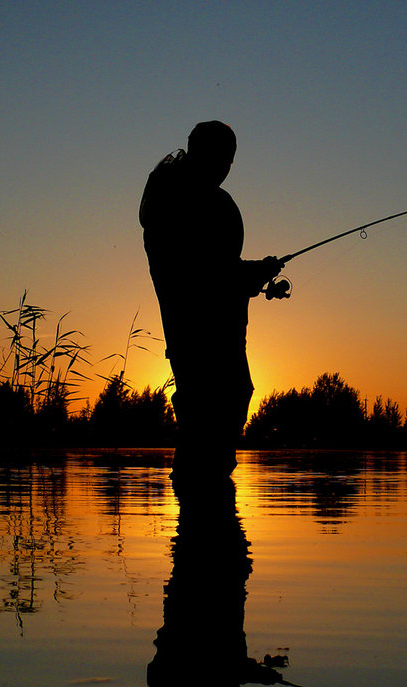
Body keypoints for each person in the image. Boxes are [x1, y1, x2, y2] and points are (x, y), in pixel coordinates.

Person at [139, 120, 281, 478]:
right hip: (208, 337)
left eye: (229, 160)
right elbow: (206, 275)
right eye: (223, 157)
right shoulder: (189, 200)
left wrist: (254, 275)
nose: (225, 167)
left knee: (207, 414)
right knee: (215, 414)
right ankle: (204, 505)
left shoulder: (171, 196)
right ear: (205, 153)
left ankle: (199, 507)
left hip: (194, 334)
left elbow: (213, 270)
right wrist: (255, 274)